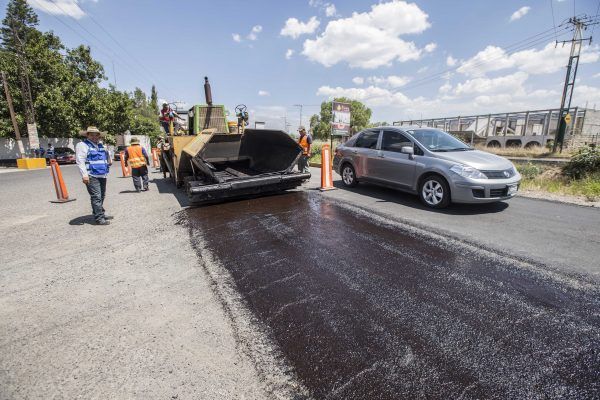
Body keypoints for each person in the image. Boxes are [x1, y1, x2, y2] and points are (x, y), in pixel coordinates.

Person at [76, 126, 112, 225]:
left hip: (102, 174)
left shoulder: (101, 145)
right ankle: (99, 218)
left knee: (102, 195)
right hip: (91, 175)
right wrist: (84, 175)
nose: (95, 137)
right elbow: (80, 161)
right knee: (96, 196)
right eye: (92, 135)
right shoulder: (82, 145)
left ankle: (99, 212)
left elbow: (108, 159)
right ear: (87, 135)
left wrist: (108, 156)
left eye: (97, 135)